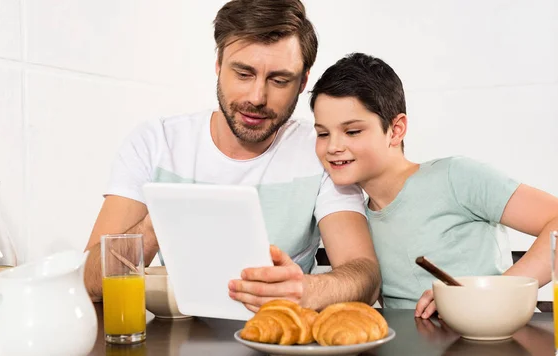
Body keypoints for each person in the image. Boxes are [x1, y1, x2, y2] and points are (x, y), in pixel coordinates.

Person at [83, 0, 381, 312]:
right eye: (243, 73)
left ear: (303, 82)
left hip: (279, 339)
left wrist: (308, 290)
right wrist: (151, 228)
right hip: (180, 341)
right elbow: (88, 281)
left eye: (279, 80)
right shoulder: (156, 143)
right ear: (218, 64)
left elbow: (365, 275)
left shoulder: (322, 148)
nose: (257, 98)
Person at [309, 52, 558, 318]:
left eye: (352, 131)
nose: (333, 147)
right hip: (418, 352)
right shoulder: (350, 223)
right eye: (323, 133)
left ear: (396, 129)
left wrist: (490, 292)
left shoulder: (456, 177)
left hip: (501, 342)